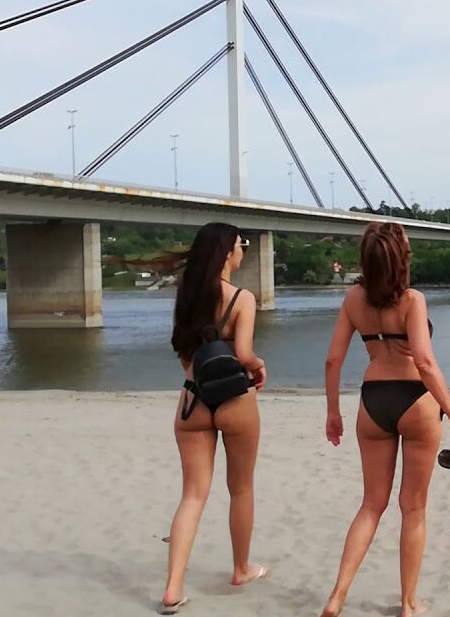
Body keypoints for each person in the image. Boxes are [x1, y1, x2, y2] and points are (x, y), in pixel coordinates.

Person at [321, 222, 450, 617]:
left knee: (371, 505)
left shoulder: (353, 300)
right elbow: (423, 361)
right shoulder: (412, 300)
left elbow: (333, 360)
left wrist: (333, 412)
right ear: (400, 259)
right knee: (414, 509)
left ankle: (337, 596)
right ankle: (407, 604)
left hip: (373, 401)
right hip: (414, 400)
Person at [161, 223, 268, 614]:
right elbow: (243, 353)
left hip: (192, 401)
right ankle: (241, 568)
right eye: (241, 244)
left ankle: (173, 586)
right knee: (241, 488)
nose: (243, 251)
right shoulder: (242, 298)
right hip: (235, 400)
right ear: (227, 253)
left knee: (192, 494)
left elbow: (185, 355)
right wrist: (259, 366)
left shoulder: (186, 297)